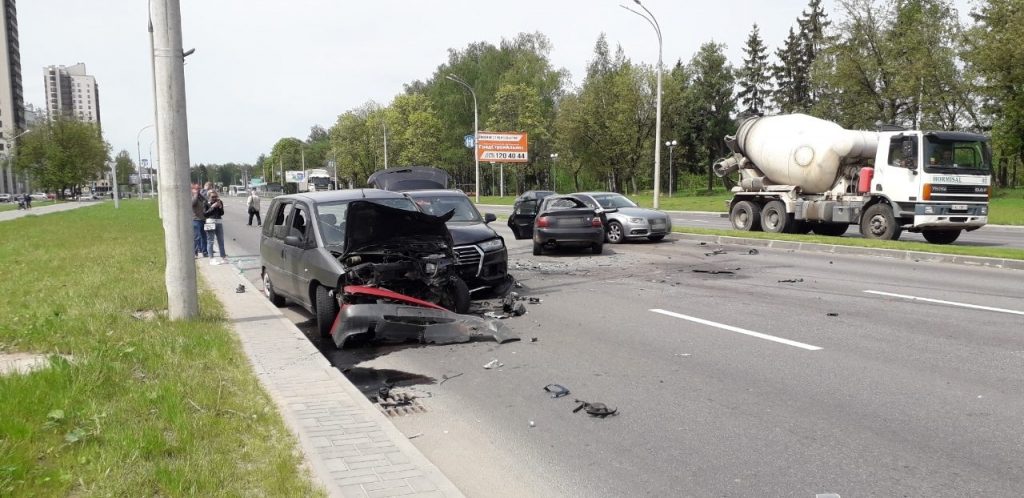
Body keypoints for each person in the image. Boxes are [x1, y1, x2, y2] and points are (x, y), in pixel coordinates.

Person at [205, 190, 227, 264]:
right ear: (209, 197)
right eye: (212, 197)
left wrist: (220, 207)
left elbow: (222, 213)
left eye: (216, 196)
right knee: (210, 241)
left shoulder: (219, 202)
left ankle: (223, 257)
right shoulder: (206, 203)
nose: (214, 198)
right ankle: (211, 258)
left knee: (221, 240)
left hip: (218, 222)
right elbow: (205, 214)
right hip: (210, 222)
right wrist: (212, 207)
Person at [191, 184, 208, 257]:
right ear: (193, 189)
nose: (198, 190)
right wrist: (195, 194)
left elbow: (206, 201)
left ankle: (205, 252)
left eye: (199, 189)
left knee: (204, 236)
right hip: (196, 219)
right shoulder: (192, 197)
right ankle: (195, 252)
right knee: (197, 237)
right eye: (196, 189)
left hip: (203, 219)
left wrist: (200, 195)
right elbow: (193, 203)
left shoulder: (201, 197)